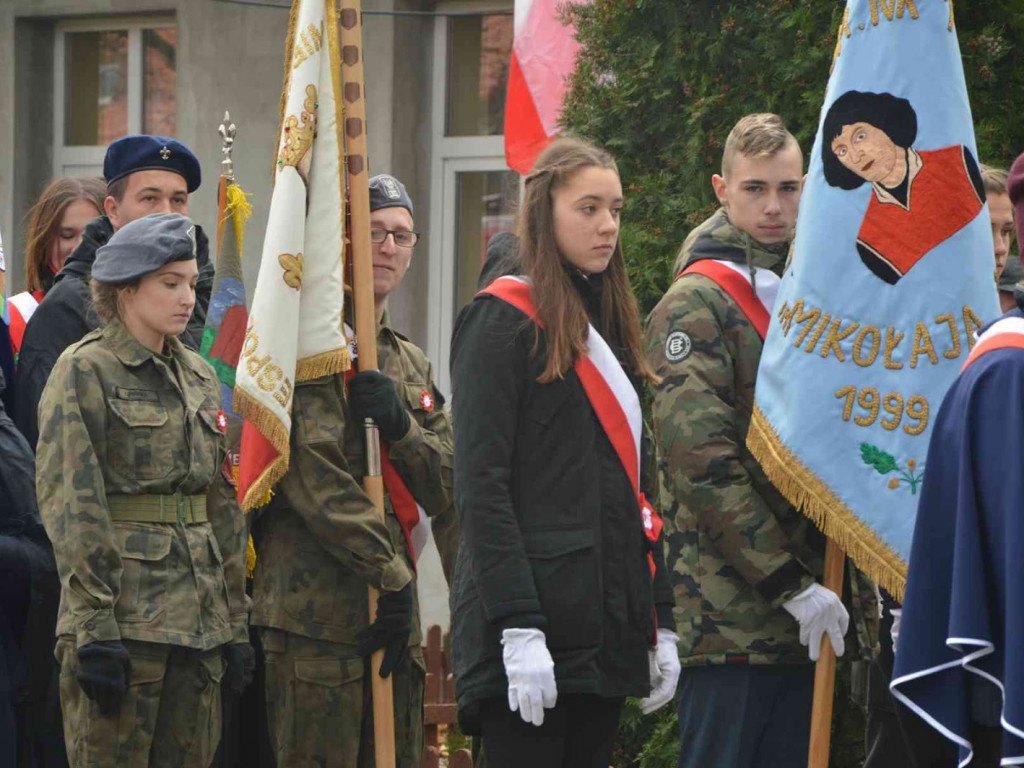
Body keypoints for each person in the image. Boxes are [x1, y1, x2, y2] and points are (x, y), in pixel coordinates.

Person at [450, 137, 678, 768]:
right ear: (543, 212)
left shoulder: (606, 321)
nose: (608, 225)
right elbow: (480, 487)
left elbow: (635, 489)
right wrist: (519, 625)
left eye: (616, 209)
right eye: (588, 208)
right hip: (530, 635)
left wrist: (659, 617)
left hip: (598, 634)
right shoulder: (499, 323)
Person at [647, 113, 862, 768]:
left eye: (789, 188)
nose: (774, 207)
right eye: (755, 189)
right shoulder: (697, 303)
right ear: (722, 189)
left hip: (807, 613)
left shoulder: (807, 290)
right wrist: (788, 583)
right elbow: (701, 464)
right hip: (732, 620)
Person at [250, 174, 453, 768]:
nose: (388, 247)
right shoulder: (303, 346)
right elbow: (313, 476)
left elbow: (443, 483)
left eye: (401, 235)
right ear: (336, 241)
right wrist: (391, 576)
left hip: (394, 614)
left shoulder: (407, 360)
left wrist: (402, 428)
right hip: (317, 617)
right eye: (371, 233)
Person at [35, 213, 251, 767]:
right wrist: (93, 627)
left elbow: (221, 505)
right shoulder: (86, 371)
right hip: (126, 626)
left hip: (199, 626)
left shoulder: (200, 376)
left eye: (190, 282)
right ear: (126, 290)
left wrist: (236, 620)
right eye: (170, 283)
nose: (187, 298)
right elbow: (72, 506)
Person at [14, 135, 213, 448]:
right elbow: (47, 445)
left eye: (178, 200)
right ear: (113, 210)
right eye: (150, 199)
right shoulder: (70, 304)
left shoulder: (207, 293)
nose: (167, 212)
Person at [822, 90, 985, 285]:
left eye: (860, 136)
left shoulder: (959, 166)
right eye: (842, 150)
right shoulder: (870, 242)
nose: (856, 156)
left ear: (884, 124)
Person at [7, 177, 106, 357]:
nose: (79, 247)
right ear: (44, 240)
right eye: (67, 235)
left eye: (93, 235)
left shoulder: (136, 319)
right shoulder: (15, 317)